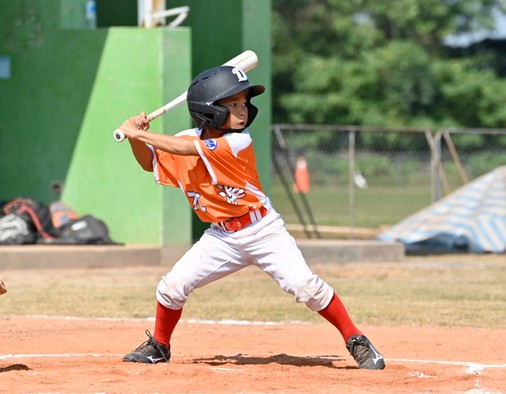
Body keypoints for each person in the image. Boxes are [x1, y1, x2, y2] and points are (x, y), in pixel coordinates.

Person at [117, 65, 385, 370]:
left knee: (305, 286)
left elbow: (188, 148)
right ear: (208, 110)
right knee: (171, 287)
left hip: (262, 229)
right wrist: (136, 138)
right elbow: (148, 162)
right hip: (221, 236)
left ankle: (356, 340)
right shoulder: (187, 137)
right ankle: (159, 346)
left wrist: (139, 132)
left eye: (244, 103)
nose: (242, 110)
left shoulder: (237, 141)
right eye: (232, 104)